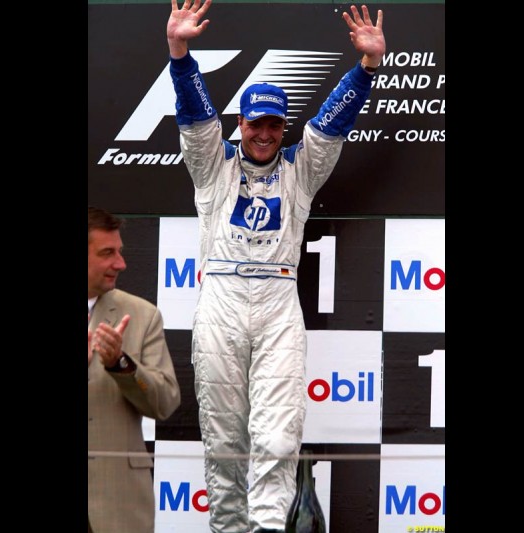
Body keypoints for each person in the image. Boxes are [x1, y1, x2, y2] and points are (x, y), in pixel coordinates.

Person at [166, 1, 386, 531]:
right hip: (220, 300)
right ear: (241, 122)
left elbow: (333, 122)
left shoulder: (300, 168)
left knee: (279, 434)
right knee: (224, 437)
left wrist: (367, 69)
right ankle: (228, 527)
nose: (263, 132)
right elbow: (195, 117)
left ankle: (268, 527)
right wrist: (180, 54)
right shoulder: (211, 164)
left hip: (278, 303)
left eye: (272, 123)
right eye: (254, 121)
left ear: (282, 126)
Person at [87, 206, 181, 533]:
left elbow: (165, 402)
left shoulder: (143, 316)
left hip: (119, 505)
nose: (121, 263)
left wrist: (121, 364)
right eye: (107, 253)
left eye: (120, 252)